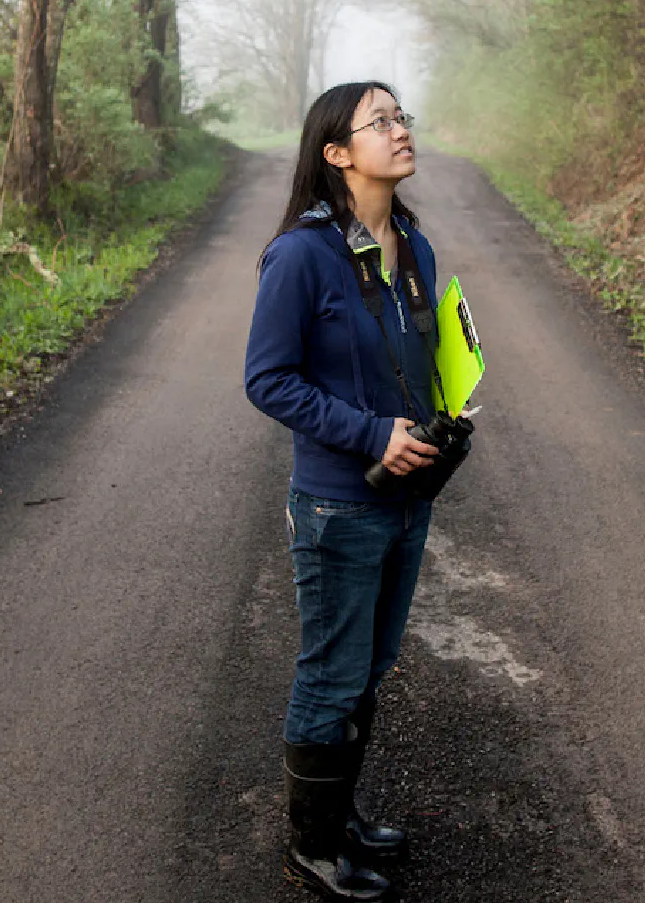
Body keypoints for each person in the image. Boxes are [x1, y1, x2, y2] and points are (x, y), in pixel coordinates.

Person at [243, 81, 462, 901]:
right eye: (383, 122)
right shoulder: (301, 256)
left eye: (403, 116)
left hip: (408, 497)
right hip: (340, 503)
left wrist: (441, 422)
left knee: (370, 668)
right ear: (337, 154)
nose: (402, 130)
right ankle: (313, 847)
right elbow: (267, 380)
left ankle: (344, 818)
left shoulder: (414, 243)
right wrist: (373, 435)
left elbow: (421, 361)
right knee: (331, 675)